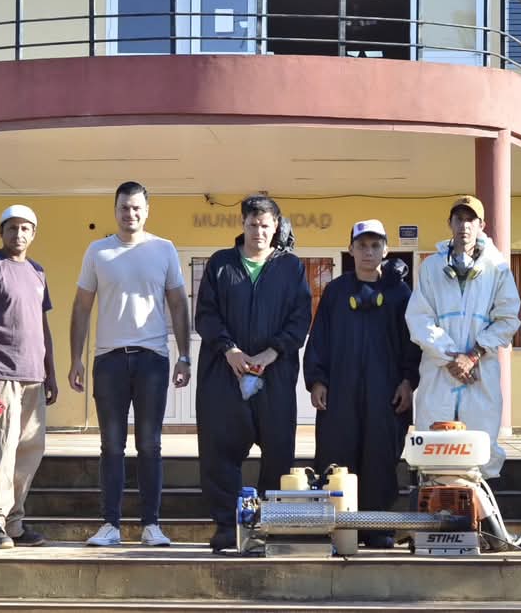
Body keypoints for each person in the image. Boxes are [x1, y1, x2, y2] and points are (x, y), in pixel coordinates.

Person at [68, 181, 191, 547]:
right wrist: (75, 358)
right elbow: (81, 307)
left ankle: (152, 525)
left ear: (147, 211)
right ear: (115, 210)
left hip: (153, 359)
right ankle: (110, 525)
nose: (130, 213)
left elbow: (179, 303)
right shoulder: (98, 251)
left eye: (137, 207)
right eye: (124, 207)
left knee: (150, 445)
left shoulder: (164, 249)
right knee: (111, 446)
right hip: (109, 361)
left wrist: (184, 356)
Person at [195, 195, 312, 552]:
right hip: (224, 373)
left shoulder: (290, 268)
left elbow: (300, 317)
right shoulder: (221, 264)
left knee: (278, 451)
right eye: (252, 224)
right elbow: (206, 314)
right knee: (219, 450)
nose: (258, 231)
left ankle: (268, 526)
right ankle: (228, 525)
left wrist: (272, 352)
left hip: (275, 374)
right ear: (242, 225)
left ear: (275, 227)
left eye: (264, 225)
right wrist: (229, 349)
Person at [304, 219, 421, 549]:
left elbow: (412, 343)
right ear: (351, 250)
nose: (368, 252)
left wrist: (408, 381)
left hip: (385, 392)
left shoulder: (400, 293)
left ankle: (376, 527)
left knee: (380, 459)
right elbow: (319, 338)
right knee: (336, 457)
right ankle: (338, 527)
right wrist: (317, 380)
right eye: (362, 245)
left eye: (375, 245)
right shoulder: (336, 291)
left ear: (385, 250)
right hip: (340, 390)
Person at [405, 195, 521, 481]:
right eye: (459, 219)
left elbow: (508, 319)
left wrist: (472, 356)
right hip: (439, 372)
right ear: (450, 223)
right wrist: (449, 357)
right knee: (434, 445)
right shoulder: (431, 267)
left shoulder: (498, 268)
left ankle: (478, 505)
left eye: (471, 220)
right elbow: (419, 318)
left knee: (480, 447)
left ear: (482, 225)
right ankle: (433, 503)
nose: (464, 226)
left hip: (479, 372)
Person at [0, 204, 57, 549]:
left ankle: (14, 522)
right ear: (1, 232)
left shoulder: (37, 272)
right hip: (0, 376)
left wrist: (50, 372)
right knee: (0, 446)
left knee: (30, 450)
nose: (18, 233)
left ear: (33, 233)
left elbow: (42, 327)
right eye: (12, 227)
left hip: (34, 377)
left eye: (25, 228)